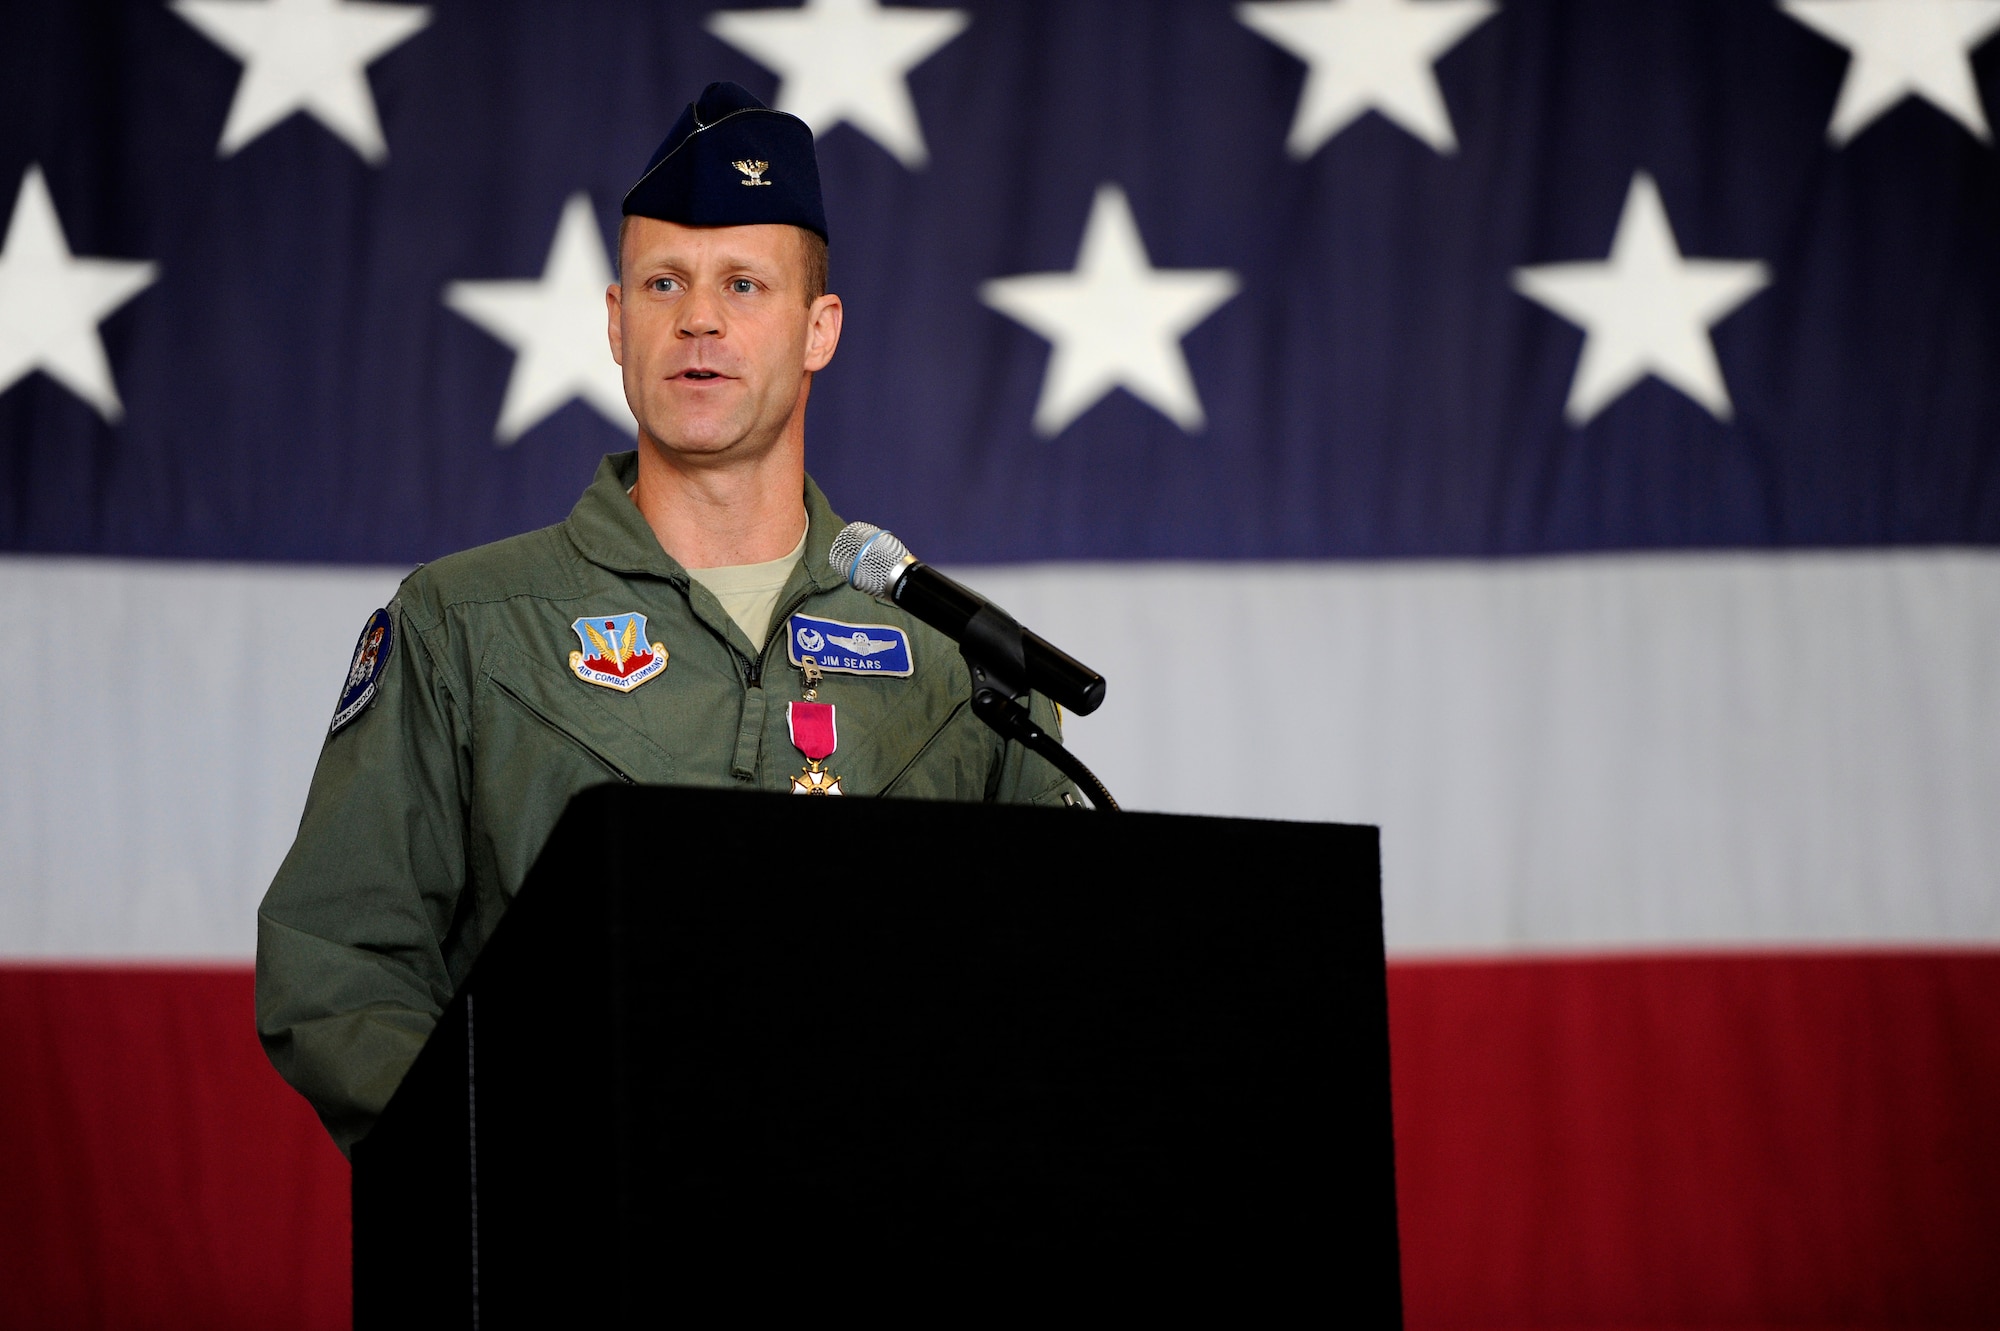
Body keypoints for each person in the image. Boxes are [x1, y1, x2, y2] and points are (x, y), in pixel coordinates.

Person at [257, 82, 1077, 1156]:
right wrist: (519, 1153)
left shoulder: (958, 658)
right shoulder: (465, 623)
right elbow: (338, 964)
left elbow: (1060, 975)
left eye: (744, 283)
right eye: (663, 282)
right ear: (614, 320)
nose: (699, 318)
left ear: (817, 329)